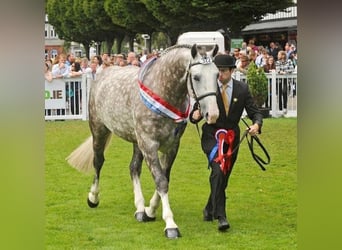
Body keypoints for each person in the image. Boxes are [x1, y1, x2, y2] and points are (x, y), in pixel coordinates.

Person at [189, 54, 263, 232]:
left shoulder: (242, 89)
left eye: (223, 71)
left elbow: (255, 112)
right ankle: (221, 216)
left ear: (232, 71)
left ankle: (209, 208)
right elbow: (194, 115)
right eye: (217, 71)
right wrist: (195, 116)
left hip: (232, 137)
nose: (219, 75)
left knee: (224, 177)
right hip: (212, 136)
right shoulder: (209, 87)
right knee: (217, 171)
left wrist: (256, 125)